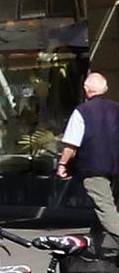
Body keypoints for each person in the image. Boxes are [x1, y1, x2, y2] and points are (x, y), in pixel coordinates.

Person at [58, 72, 118, 252]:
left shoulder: (82, 111)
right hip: (116, 166)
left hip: (94, 168)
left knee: (105, 206)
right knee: (108, 204)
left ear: (85, 89)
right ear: (106, 89)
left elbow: (71, 144)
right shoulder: (117, 108)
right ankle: (97, 244)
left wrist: (62, 164)